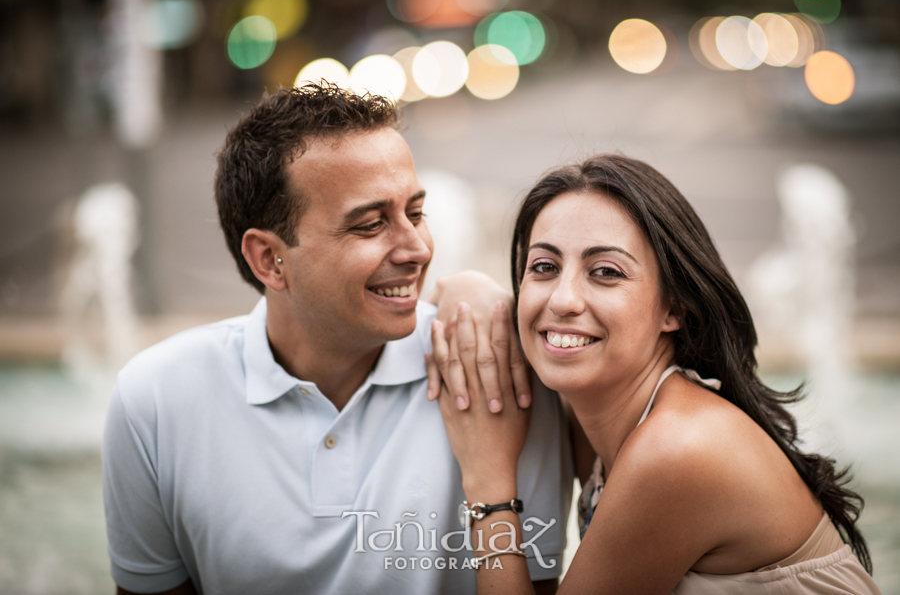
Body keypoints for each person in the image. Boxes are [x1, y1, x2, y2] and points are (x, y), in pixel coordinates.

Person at [101, 84, 573, 595]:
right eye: (370, 225)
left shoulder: (497, 372)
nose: (417, 248)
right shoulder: (154, 400)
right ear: (268, 259)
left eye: (416, 213)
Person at [427, 154, 881, 594]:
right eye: (544, 267)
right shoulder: (605, 410)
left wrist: (488, 482)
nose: (563, 300)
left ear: (673, 307)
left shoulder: (676, 450)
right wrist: (471, 291)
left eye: (605, 272)